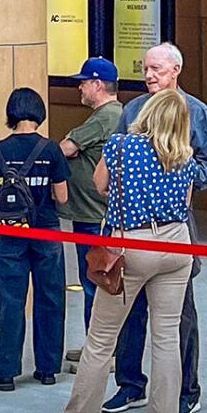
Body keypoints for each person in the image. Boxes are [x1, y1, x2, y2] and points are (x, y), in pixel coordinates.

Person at [43, 89, 197, 413]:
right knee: (167, 339)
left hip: (132, 244)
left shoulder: (122, 146)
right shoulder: (185, 157)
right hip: (176, 244)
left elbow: (100, 186)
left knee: (101, 338)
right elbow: (186, 204)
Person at [104, 45, 207, 413]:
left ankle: (188, 389)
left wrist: (176, 180)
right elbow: (116, 161)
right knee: (129, 307)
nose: (149, 75)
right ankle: (130, 384)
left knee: (179, 313)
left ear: (176, 70)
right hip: (131, 225)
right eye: (146, 69)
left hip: (174, 227)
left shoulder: (196, 112)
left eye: (156, 68)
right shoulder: (132, 110)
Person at [0, 89, 69, 392]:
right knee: (50, 298)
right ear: (39, 113)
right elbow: (62, 197)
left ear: (11, 113)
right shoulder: (51, 149)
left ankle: (5, 370)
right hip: (46, 231)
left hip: (10, 234)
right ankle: (47, 368)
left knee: (11, 301)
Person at [58, 58, 124, 334]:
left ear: (98, 85)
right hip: (96, 212)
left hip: (93, 215)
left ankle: (98, 349)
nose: (80, 89)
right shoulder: (115, 115)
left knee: (94, 280)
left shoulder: (105, 117)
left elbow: (65, 148)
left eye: (83, 83)